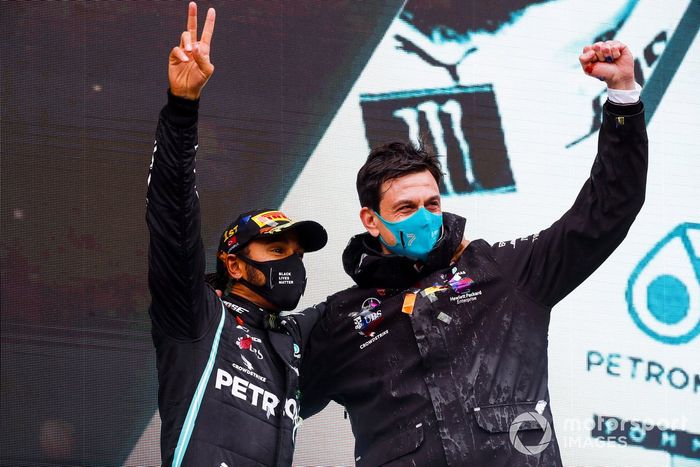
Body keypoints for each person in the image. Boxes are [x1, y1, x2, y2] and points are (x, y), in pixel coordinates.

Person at [299, 40, 647, 466]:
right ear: (371, 220)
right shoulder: (341, 321)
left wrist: (623, 99)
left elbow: (607, 211)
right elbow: (254, 397)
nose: (424, 218)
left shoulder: (502, 273)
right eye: (405, 209)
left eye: (431, 204)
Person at [146, 3, 328, 466]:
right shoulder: (197, 317)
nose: (291, 263)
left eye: (296, 253)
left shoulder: (297, 343)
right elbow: (172, 216)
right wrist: (182, 109)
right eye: (276, 248)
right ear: (233, 263)